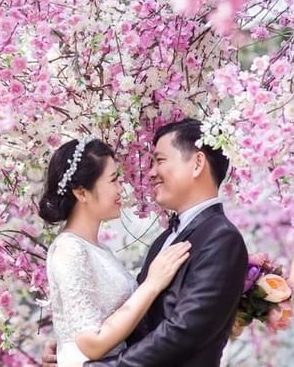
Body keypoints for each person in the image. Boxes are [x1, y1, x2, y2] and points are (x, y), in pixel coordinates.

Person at [43, 118, 248, 367]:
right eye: (114, 180)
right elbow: (140, 322)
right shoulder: (164, 240)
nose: (150, 173)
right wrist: (70, 351)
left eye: (160, 160)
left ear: (197, 164)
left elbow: (183, 332)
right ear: (81, 192)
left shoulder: (220, 238)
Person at [39, 137, 191, 367]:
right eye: (113, 180)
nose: (121, 188)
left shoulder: (99, 249)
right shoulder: (69, 249)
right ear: (81, 193)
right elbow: (92, 343)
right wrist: (152, 284)